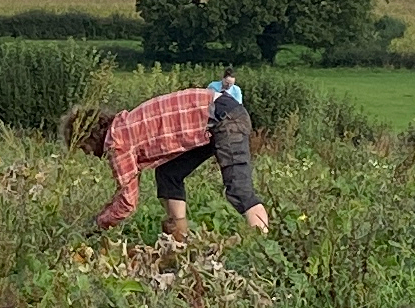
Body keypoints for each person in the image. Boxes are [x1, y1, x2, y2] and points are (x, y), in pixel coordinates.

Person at [71, 76, 269, 239]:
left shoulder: (117, 142)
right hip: (218, 114)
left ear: (88, 138)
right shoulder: (124, 125)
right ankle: (180, 238)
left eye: (82, 147)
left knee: (239, 190)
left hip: (222, 119)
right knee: (168, 174)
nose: (88, 154)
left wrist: (95, 225)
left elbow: (127, 202)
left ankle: (261, 247)